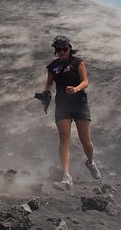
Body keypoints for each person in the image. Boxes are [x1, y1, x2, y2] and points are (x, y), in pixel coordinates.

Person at [42, 34, 100, 186]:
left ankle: (91, 162)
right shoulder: (52, 67)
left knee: (85, 140)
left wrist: (75, 89)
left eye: (64, 49)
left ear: (69, 48)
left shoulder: (77, 62)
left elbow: (85, 81)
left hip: (79, 103)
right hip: (62, 105)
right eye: (59, 49)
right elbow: (49, 83)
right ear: (55, 50)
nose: (62, 52)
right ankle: (66, 175)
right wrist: (46, 92)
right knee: (64, 138)